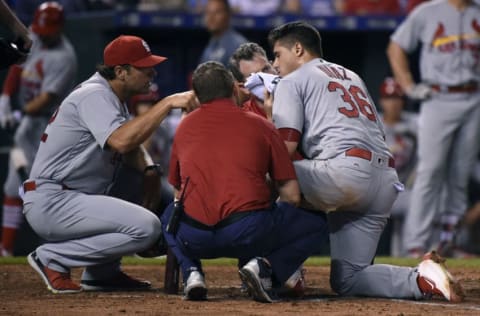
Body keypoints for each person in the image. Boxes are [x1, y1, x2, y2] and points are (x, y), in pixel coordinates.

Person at [267, 21, 464, 302]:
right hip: (383, 180)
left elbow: (283, 150)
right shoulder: (351, 75)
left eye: (277, 54)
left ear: (297, 49)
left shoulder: (291, 80)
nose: (274, 63)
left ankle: (280, 268)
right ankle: (422, 279)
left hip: (342, 173)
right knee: (348, 279)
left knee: (265, 177)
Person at [23, 34, 198, 294]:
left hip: (69, 196)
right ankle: (53, 257)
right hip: (54, 199)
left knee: (126, 194)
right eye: (144, 67)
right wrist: (168, 103)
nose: (152, 72)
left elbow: (131, 147)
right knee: (147, 228)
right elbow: (121, 141)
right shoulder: (95, 94)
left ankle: (101, 273)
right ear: (121, 72)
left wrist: (149, 168)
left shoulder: (111, 97)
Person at [160, 61, 329, 302]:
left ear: (196, 95)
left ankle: (192, 273)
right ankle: (265, 269)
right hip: (248, 235)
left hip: (195, 239)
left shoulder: (184, 126)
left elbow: (178, 193)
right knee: (317, 222)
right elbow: (291, 195)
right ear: (232, 88)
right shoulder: (261, 125)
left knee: (169, 216)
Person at [386, 0, 480, 258]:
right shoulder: (428, 12)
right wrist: (407, 85)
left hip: (474, 97)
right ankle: (416, 244)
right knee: (431, 171)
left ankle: (453, 241)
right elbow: (396, 47)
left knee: (460, 174)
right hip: (438, 97)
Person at [0, 1, 77, 257]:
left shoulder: (64, 56)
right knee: (13, 186)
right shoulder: (36, 36)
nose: (42, 36)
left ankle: (63, 247)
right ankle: (6, 249)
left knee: (48, 188)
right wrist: (5, 100)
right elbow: (18, 65)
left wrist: (18, 112)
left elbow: (45, 99)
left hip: (51, 127)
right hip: (27, 127)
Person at [377, 77, 418, 257]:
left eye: (397, 98)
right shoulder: (373, 123)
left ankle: (409, 256)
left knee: (417, 202)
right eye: (388, 98)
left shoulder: (414, 123)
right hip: (375, 190)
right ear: (381, 101)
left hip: (401, 189)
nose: (393, 103)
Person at [228, 42, 277, 120]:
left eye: (266, 69)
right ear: (244, 87)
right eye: (255, 77)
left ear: (273, 65)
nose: (265, 77)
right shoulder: (244, 120)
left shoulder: (298, 94)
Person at [198, 0, 247, 67]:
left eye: (217, 12)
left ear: (228, 15)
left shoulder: (238, 45)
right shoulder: (211, 45)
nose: (211, 17)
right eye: (208, 13)